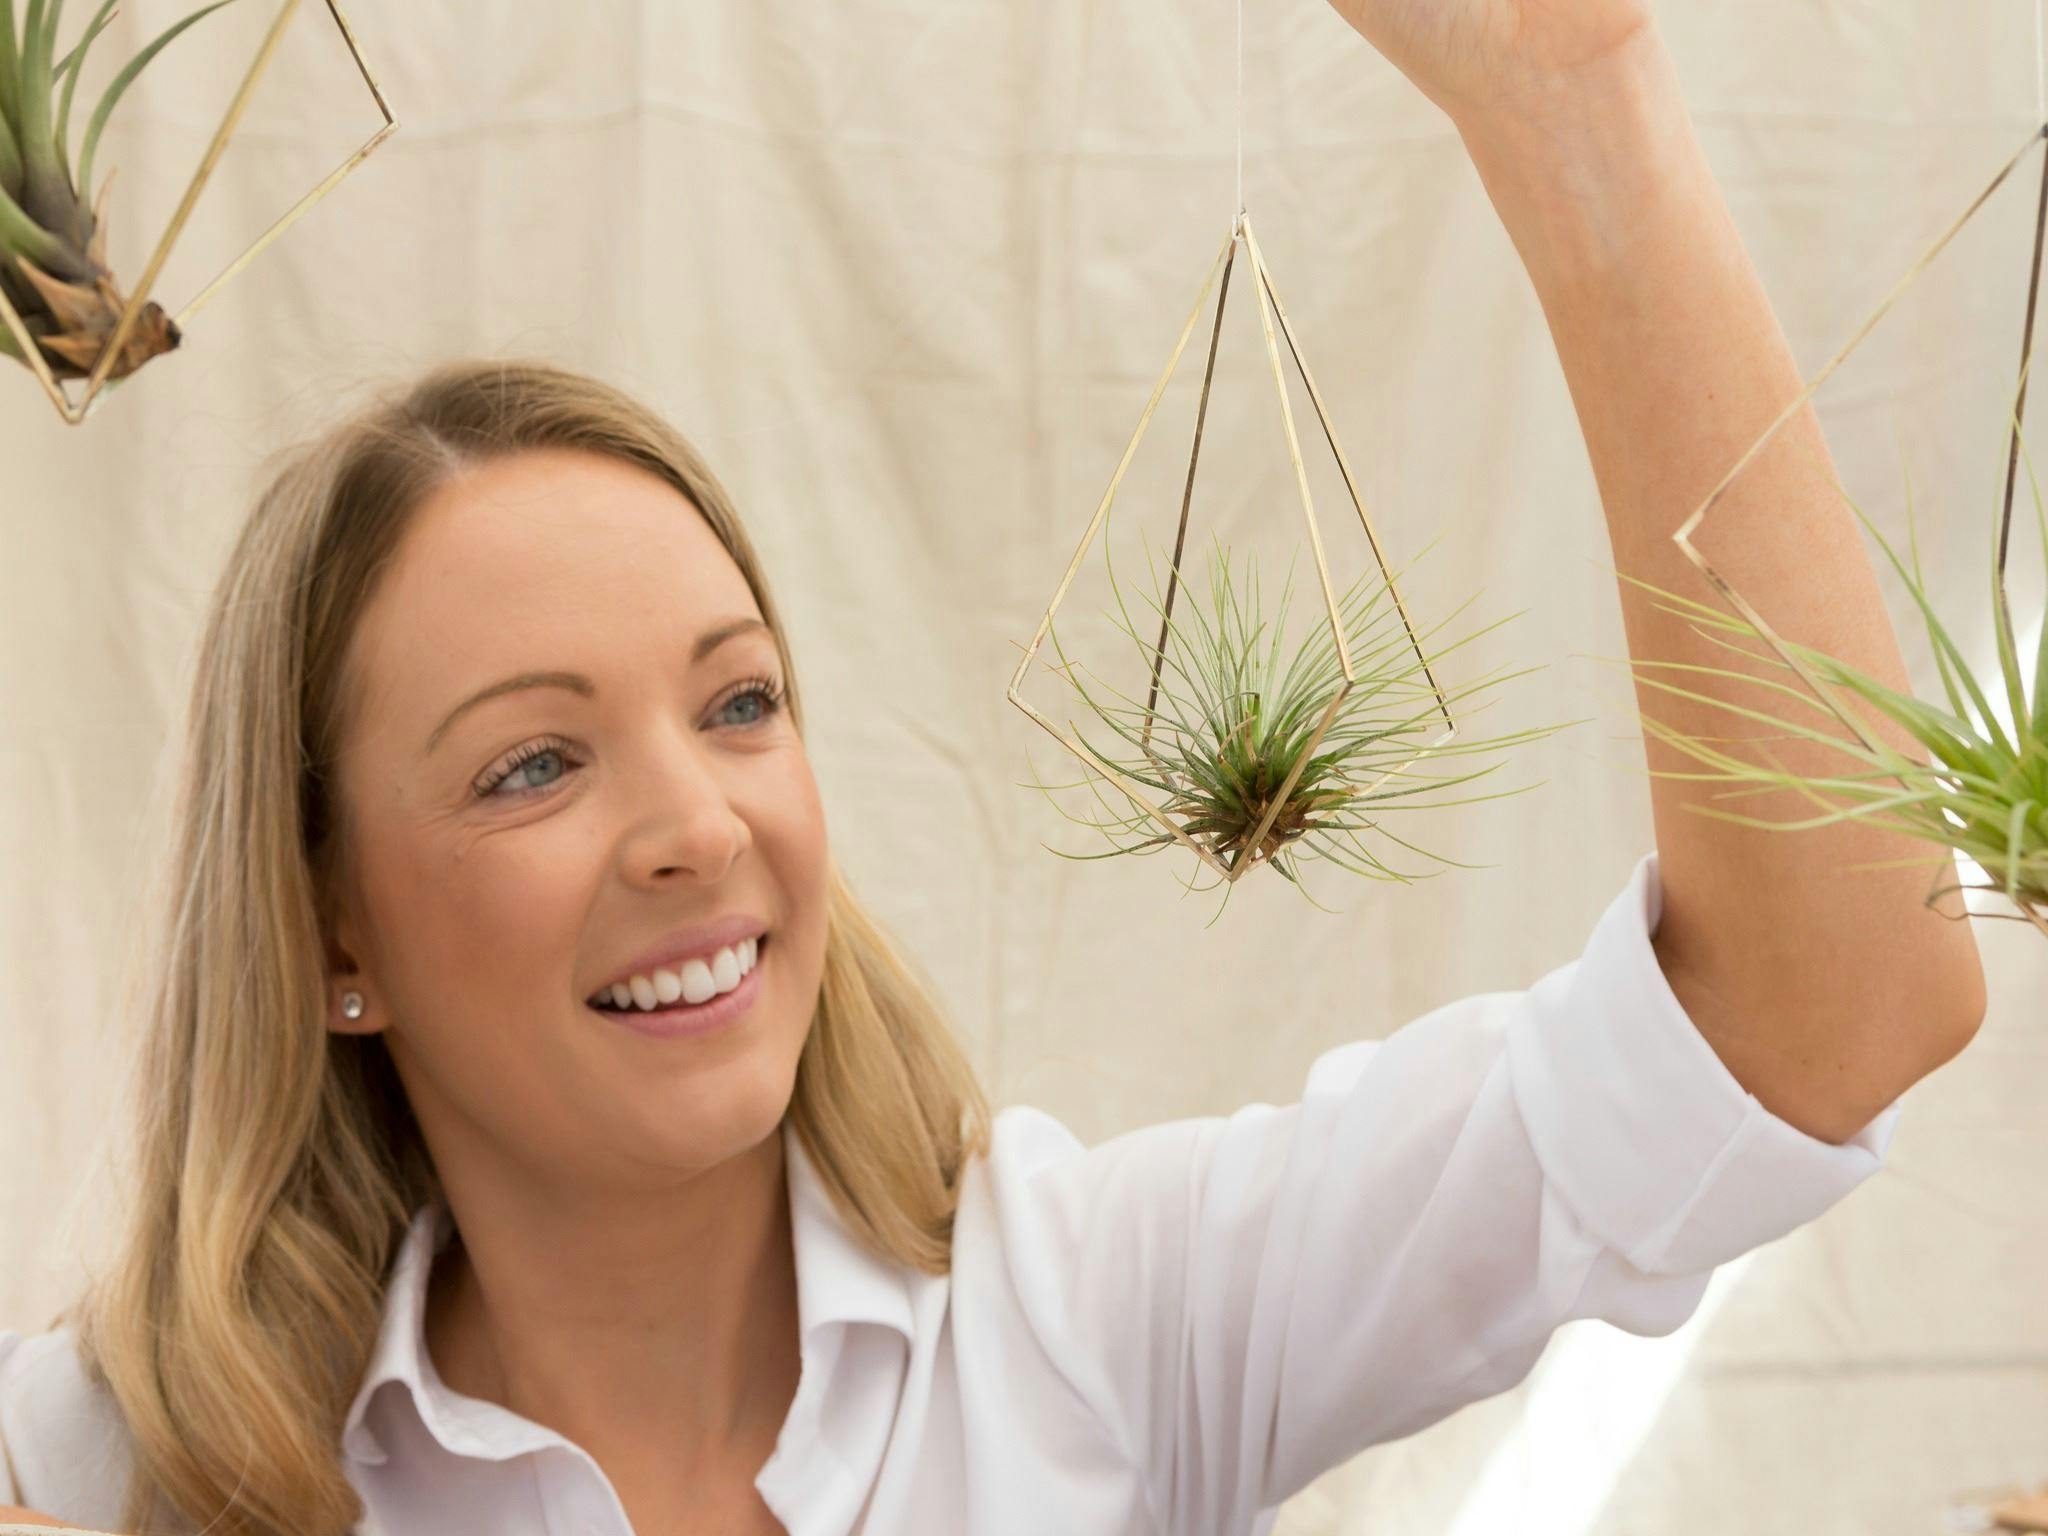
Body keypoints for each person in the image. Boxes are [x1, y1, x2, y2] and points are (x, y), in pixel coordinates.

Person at [0, 1, 1989, 1533]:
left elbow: (1835, 1015)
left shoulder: (1100, 1326)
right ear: (327, 920)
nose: (698, 826)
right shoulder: (122, 1458)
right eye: (533, 767)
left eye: (739, 702)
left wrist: (1582, 101)